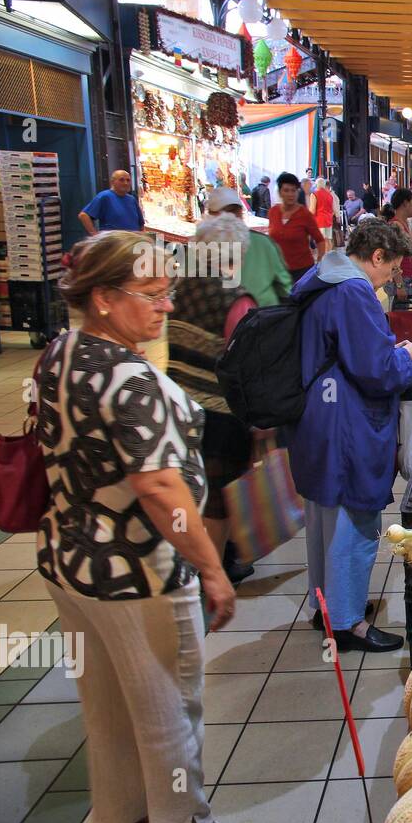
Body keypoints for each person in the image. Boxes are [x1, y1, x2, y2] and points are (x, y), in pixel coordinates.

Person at [38, 230, 234, 823]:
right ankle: (183, 819)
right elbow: (158, 489)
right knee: (168, 719)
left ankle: (118, 822)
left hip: (68, 564)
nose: (166, 306)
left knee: (107, 719)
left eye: (167, 292)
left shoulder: (59, 352)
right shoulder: (130, 379)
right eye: (150, 294)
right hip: (137, 575)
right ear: (102, 297)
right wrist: (210, 566)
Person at [285, 220, 412, 651]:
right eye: (390, 270)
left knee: (323, 517)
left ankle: (326, 606)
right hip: (347, 424)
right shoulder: (353, 291)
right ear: (377, 257)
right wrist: (410, 354)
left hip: (316, 419)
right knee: (355, 518)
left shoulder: (320, 277)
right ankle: (348, 624)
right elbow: (377, 370)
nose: (391, 279)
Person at [172, 211, 259, 574]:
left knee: (194, 488)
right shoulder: (236, 300)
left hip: (179, 403)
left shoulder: (179, 288)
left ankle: (196, 561)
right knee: (220, 496)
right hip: (221, 413)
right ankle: (214, 570)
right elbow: (247, 364)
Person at [201, 186, 291, 307]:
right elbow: (285, 286)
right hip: (262, 314)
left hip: (226, 316)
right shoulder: (263, 242)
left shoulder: (201, 245)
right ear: (240, 215)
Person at [268, 172, 325, 282]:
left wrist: (320, 261)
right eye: (286, 190)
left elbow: (319, 240)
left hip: (302, 271)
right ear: (280, 192)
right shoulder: (273, 212)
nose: (290, 194)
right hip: (278, 270)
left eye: (293, 190)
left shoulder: (305, 214)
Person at [78, 169, 145, 236]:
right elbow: (83, 215)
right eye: (121, 180)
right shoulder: (105, 196)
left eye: (128, 180)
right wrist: (94, 235)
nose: (125, 183)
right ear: (112, 182)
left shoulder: (131, 199)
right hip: (113, 243)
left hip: (131, 242)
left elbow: (141, 224)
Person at [380, 188, 412, 302]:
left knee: (402, 317)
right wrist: (400, 285)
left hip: (404, 278)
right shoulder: (396, 226)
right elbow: (393, 258)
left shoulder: (404, 224)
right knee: (399, 318)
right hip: (399, 280)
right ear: (405, 203)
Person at [308, 177, 335, 254]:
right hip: (329, 220)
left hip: (319, 220)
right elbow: (332, 209)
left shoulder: (314, 194)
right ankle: (329, 256)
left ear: (316, 184)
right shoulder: (329, 195)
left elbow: (312, 210)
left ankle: (322, 258)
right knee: (328, 240)